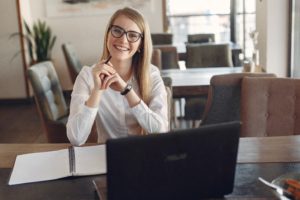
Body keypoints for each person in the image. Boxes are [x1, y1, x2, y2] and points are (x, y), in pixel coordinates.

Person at [67, 7, 168, 146]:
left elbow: (160, 132)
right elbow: (76, 138)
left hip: (143, 155)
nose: (123, 40)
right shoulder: (87, 76)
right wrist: (97, 90)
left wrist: (127, 91)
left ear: (140, 44)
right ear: (108, 34)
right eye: (117, 31)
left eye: (132, 35)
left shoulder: (152, 75)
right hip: (106, 158)